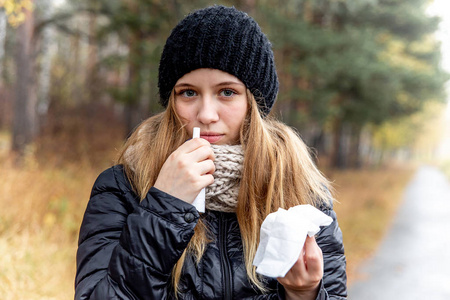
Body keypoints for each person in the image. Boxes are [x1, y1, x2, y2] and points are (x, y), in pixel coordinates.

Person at [75, 5, 347, 300]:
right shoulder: (123, 187)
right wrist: (165, 206)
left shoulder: (299, 190)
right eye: (188, 92)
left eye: (227, 92)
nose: (206, 114)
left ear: (253, 103)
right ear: (171, 101)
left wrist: (306, 293)